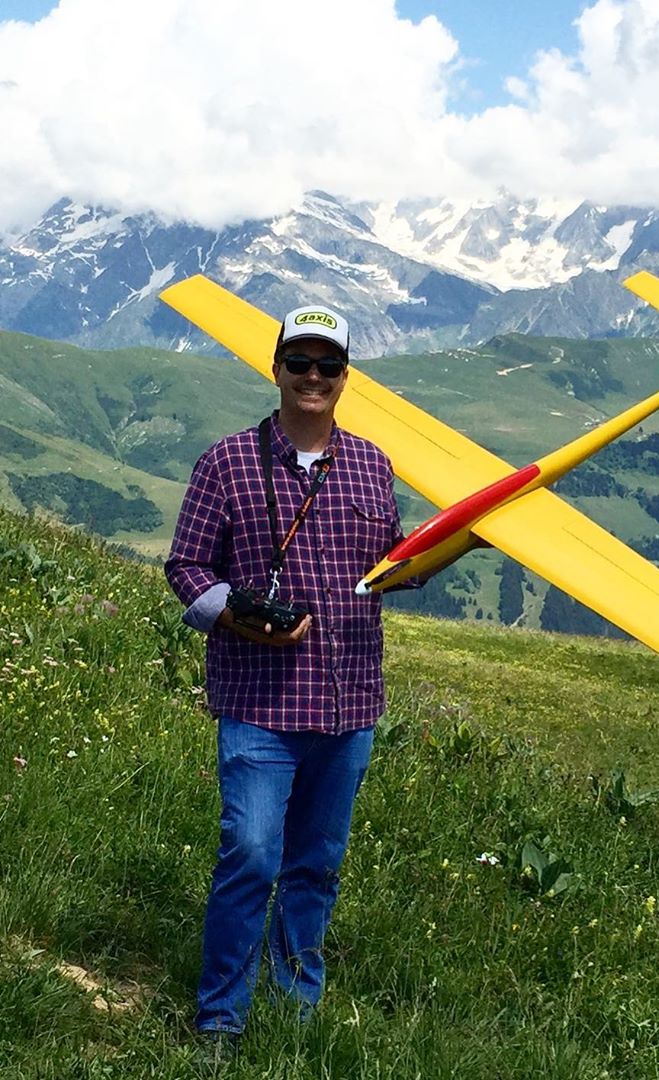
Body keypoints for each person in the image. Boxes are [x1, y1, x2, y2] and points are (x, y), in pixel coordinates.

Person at [165, 304, 407, 1042]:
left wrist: (439, 552)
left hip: (349, 704)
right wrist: (236, 616)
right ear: (275, 370)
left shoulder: (372, 463)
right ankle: (220, 1024)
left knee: (317, 866)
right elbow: (184, 565)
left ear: (344, 377)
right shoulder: (226, 461)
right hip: (260, 704)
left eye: (327, 365)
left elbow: (392, 564)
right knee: (250, 855)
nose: (312, 377)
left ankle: (296, 1010)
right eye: (298, 363)